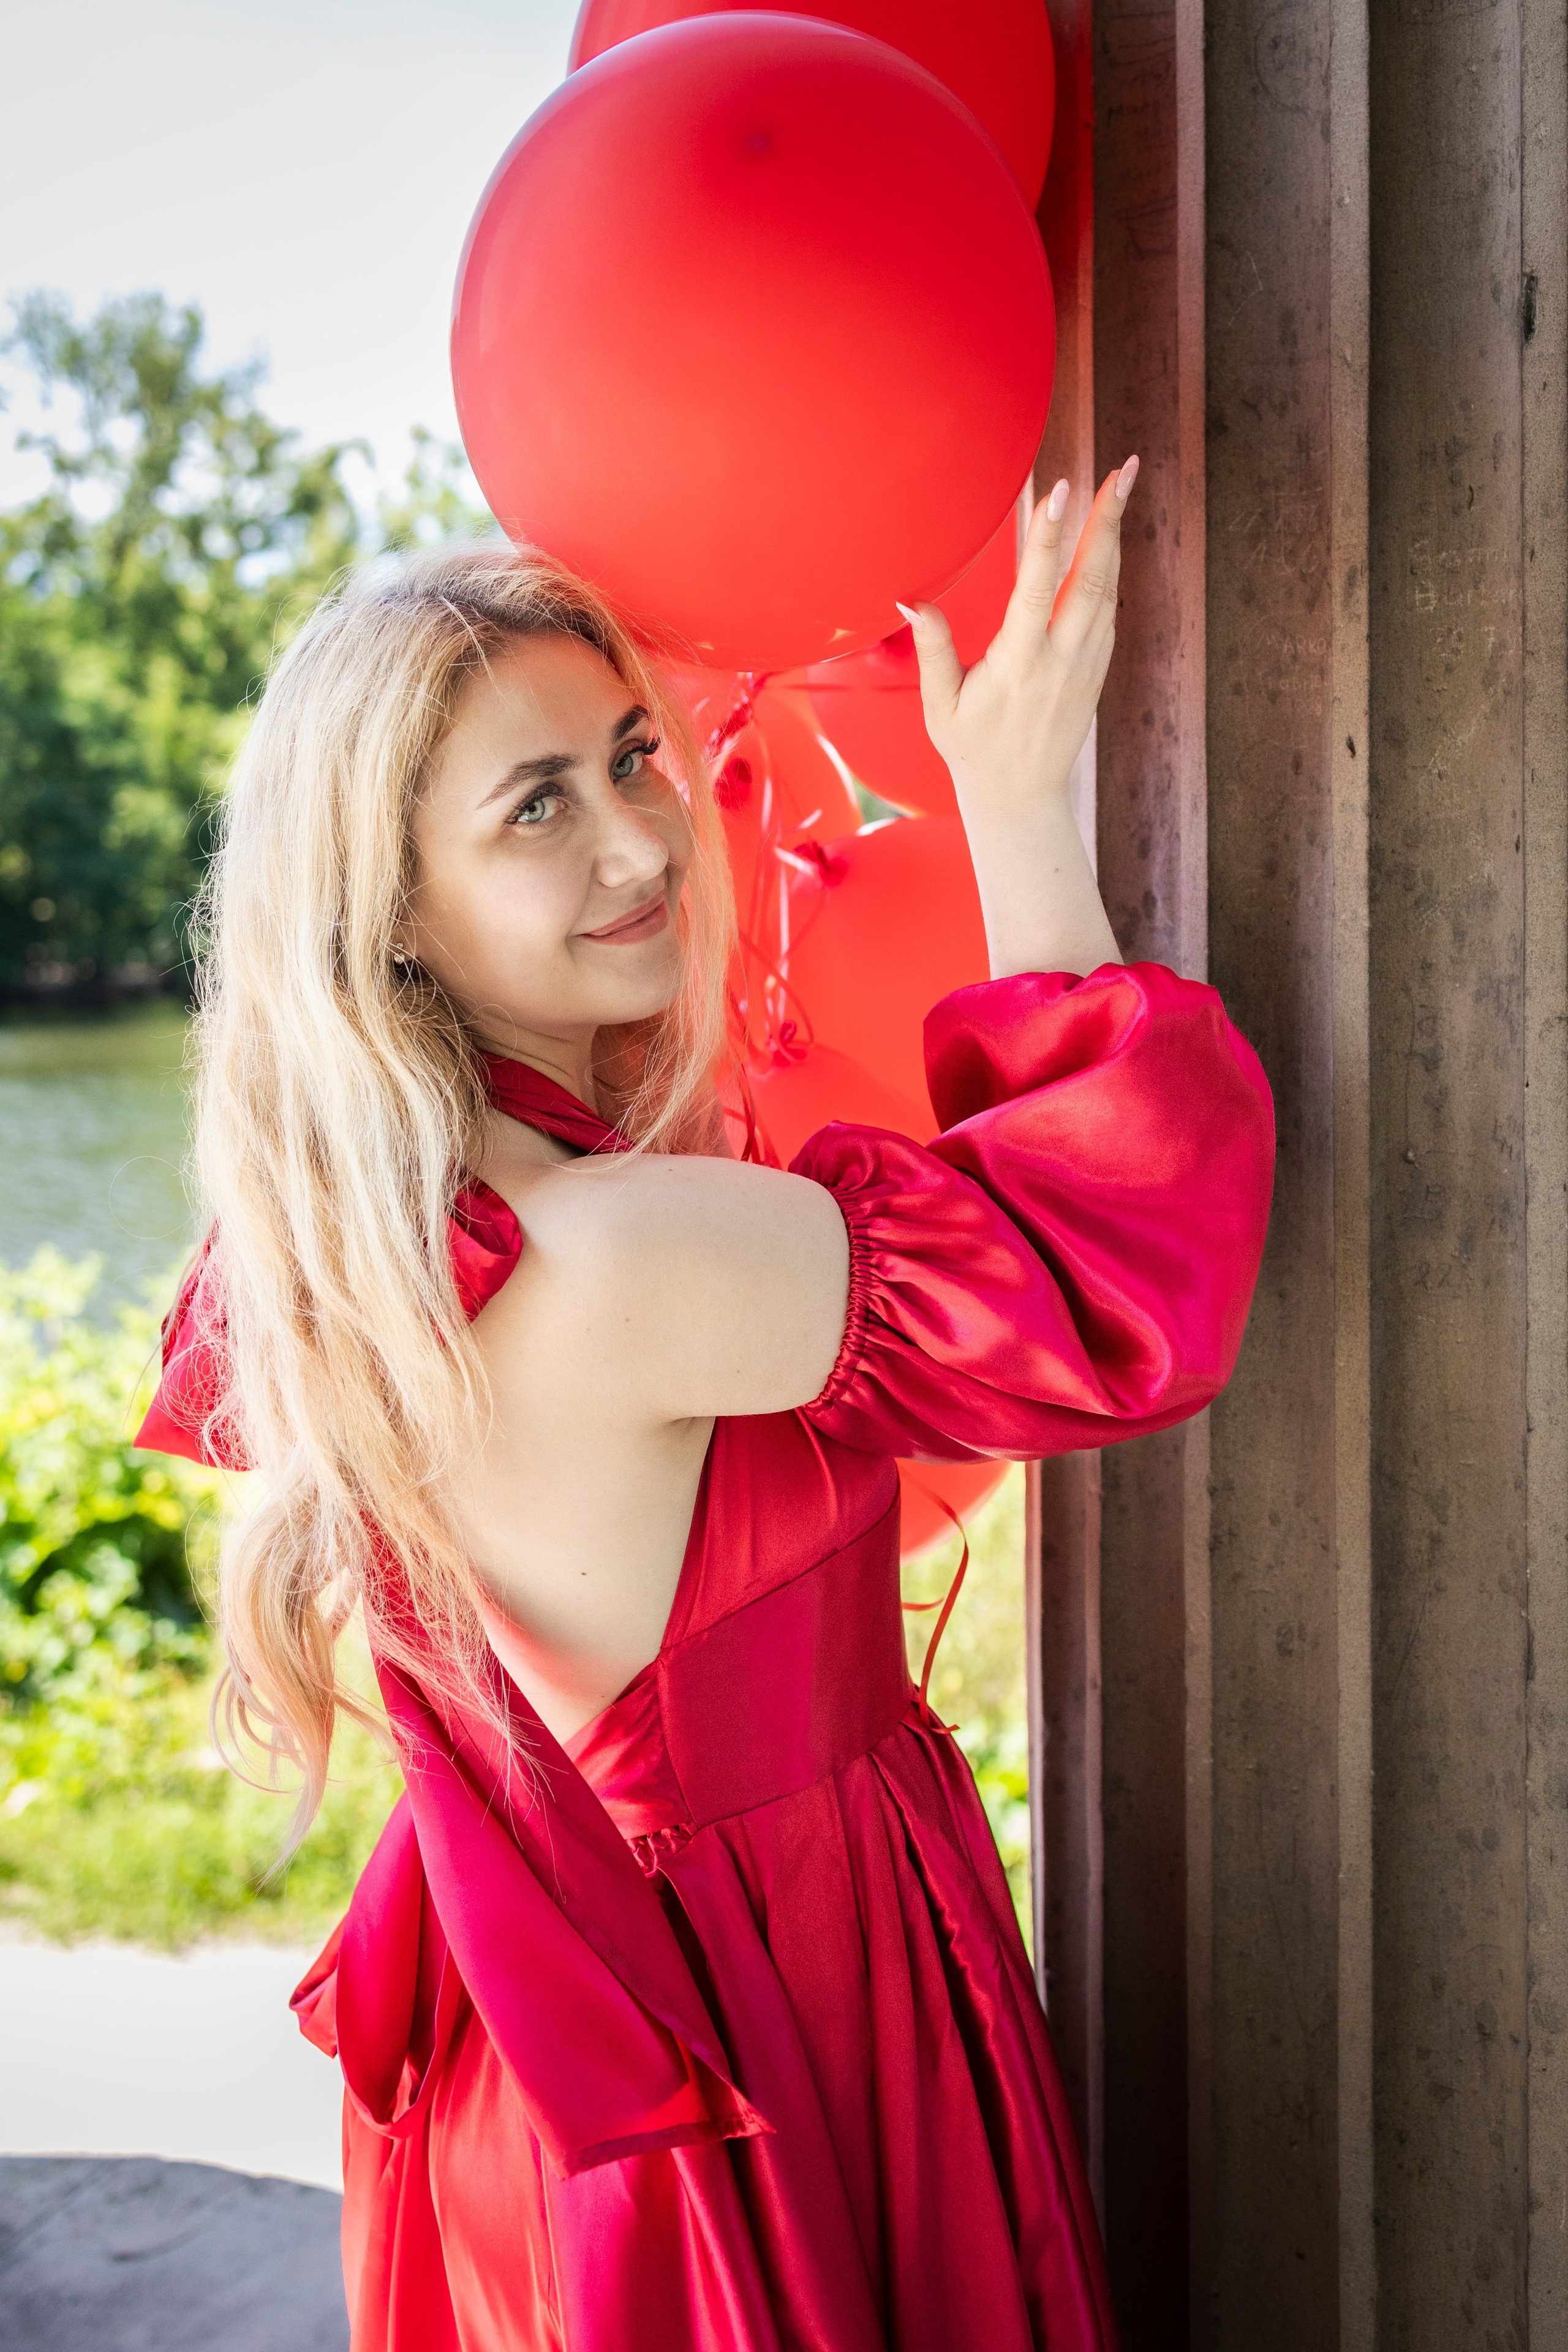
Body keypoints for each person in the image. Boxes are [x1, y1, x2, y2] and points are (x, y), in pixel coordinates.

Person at [136, 460, 1273, 2352]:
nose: (644, 846)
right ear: (393, 911)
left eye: (635, 756)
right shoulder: (615, 1256)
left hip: (567, 2052)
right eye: (535, 807)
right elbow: (1124, 1272)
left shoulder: (358, 1233)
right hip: (751, 2004)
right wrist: (1019, 813)